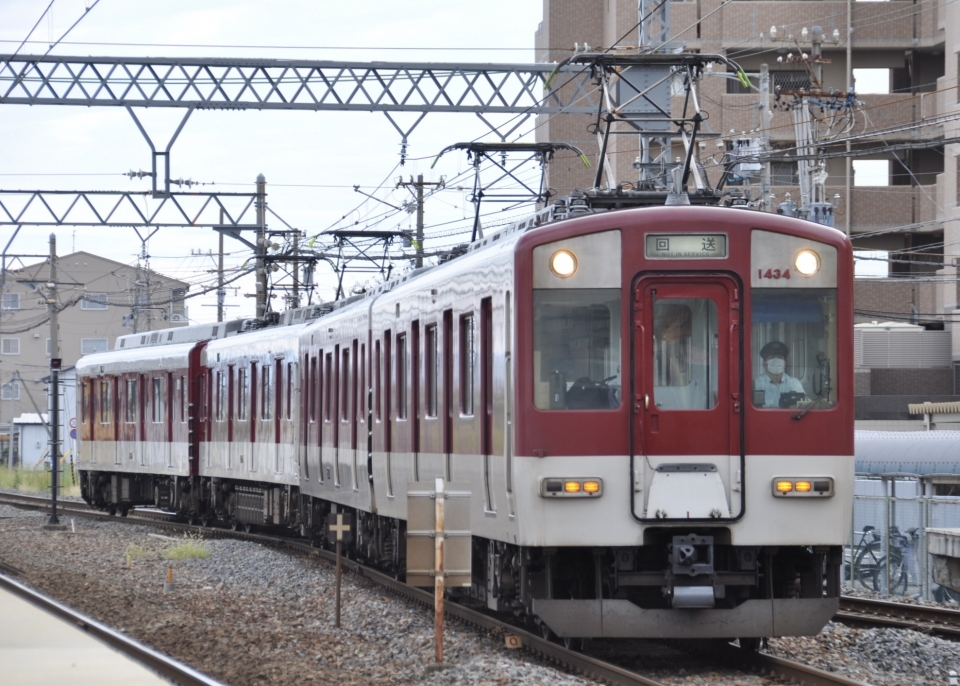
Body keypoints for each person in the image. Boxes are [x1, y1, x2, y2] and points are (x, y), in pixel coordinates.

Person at [755, 340, 805, 408]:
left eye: (779, 357)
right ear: (764, 363)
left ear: (785, 363)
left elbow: (799, 407)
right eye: (772, 357)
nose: (776, 361)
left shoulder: (794, 384)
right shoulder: (756, 383)